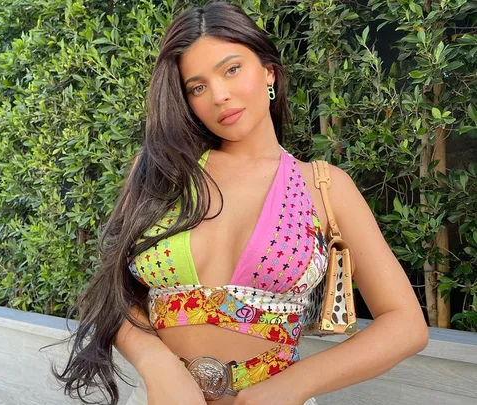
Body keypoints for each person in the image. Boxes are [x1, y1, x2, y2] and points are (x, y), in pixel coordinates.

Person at [52, 2, 429, 405]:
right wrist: (155, 363)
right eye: (197, 87)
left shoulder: (323, 186)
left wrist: (290, 386)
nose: (220, 96)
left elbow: (406, 324)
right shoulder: (160, 172)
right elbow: (117, 293)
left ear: (268, 71)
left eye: (232, 69)